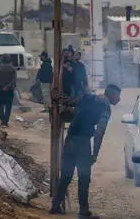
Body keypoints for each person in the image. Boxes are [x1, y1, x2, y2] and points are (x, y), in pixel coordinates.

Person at [49, 84, 122, 218]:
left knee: (66, 175)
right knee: (84, 177)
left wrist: (58, 97)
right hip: (82, 142)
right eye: (118, 96)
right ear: (111, 95)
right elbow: (100, 132)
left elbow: (71, 101)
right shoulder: (105, 107)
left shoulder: (88, 97)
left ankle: (55, 206)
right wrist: (94, 154)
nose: (119, 99)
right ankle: (83, 211)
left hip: (69, 139)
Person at [0, 55, 17, 128]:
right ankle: (6, 122)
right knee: (8, 106)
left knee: (0, 106)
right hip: (9, 90)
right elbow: (14, 80)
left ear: (1, 60)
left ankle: (2, 121)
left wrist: (2, 86)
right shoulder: (13, 68)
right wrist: (7, 86)